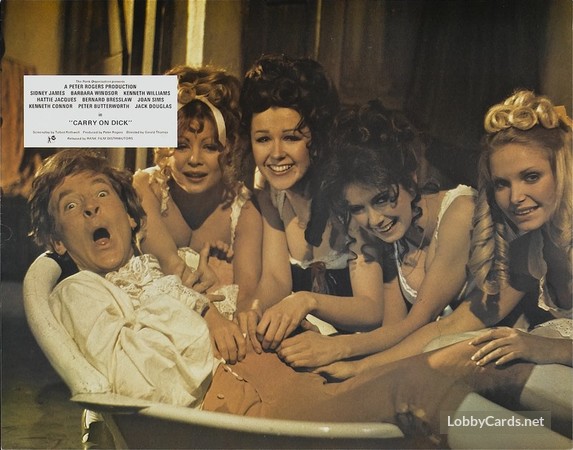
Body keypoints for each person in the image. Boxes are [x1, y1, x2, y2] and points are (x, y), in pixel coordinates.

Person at [28, 149, 570, 449]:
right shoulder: (80, 290)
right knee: (419, 388)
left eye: (102, 196)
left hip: (288, 371)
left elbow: (221, 294)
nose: (92, 209)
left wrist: (214, 306)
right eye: (72, 208)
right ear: (58, 242)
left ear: (131, 217)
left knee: (469, 358)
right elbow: (135, 382)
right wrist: (209, 323)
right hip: (249, 403)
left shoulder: (165, 271)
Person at [316, 90, 572, 381]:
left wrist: (547, 347)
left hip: (555, 358)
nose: (515, 197)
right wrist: (357, 368)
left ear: (562, 169)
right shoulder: (526, 250)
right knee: (443, 354)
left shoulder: (460, 213)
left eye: (531, 177)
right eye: (502, 184)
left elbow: (422, 321)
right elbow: (447, 327)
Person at [274, 100, 477, 369]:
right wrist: (328, 342)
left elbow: (419, 321)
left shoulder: (460, 213)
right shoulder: (392, 237)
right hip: (432, 352)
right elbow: (393, 330)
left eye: (381, 199)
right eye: (357, 208)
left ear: (411, 178)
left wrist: (340, 349)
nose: (374, 220)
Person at [237, 54, 386, 353]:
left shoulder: (348, 199)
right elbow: (276, 279)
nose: (275, 154)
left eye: (291, 138)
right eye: (263, 139)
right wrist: (254, 308)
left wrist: (307, 300)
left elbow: (372, 310)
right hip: (310, 343)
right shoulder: (271, 194)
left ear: (317, 138)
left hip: (360, 348)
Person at [133, 66, 263, 363]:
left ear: (228, 149)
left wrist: (237, 333)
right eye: (181, 146)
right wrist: (211, 319)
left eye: (209, 147)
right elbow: (170, 266)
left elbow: (248, 294)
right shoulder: (146, 189)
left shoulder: (244, 210)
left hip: (225, 326)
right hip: (163, 318)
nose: (194, 159)